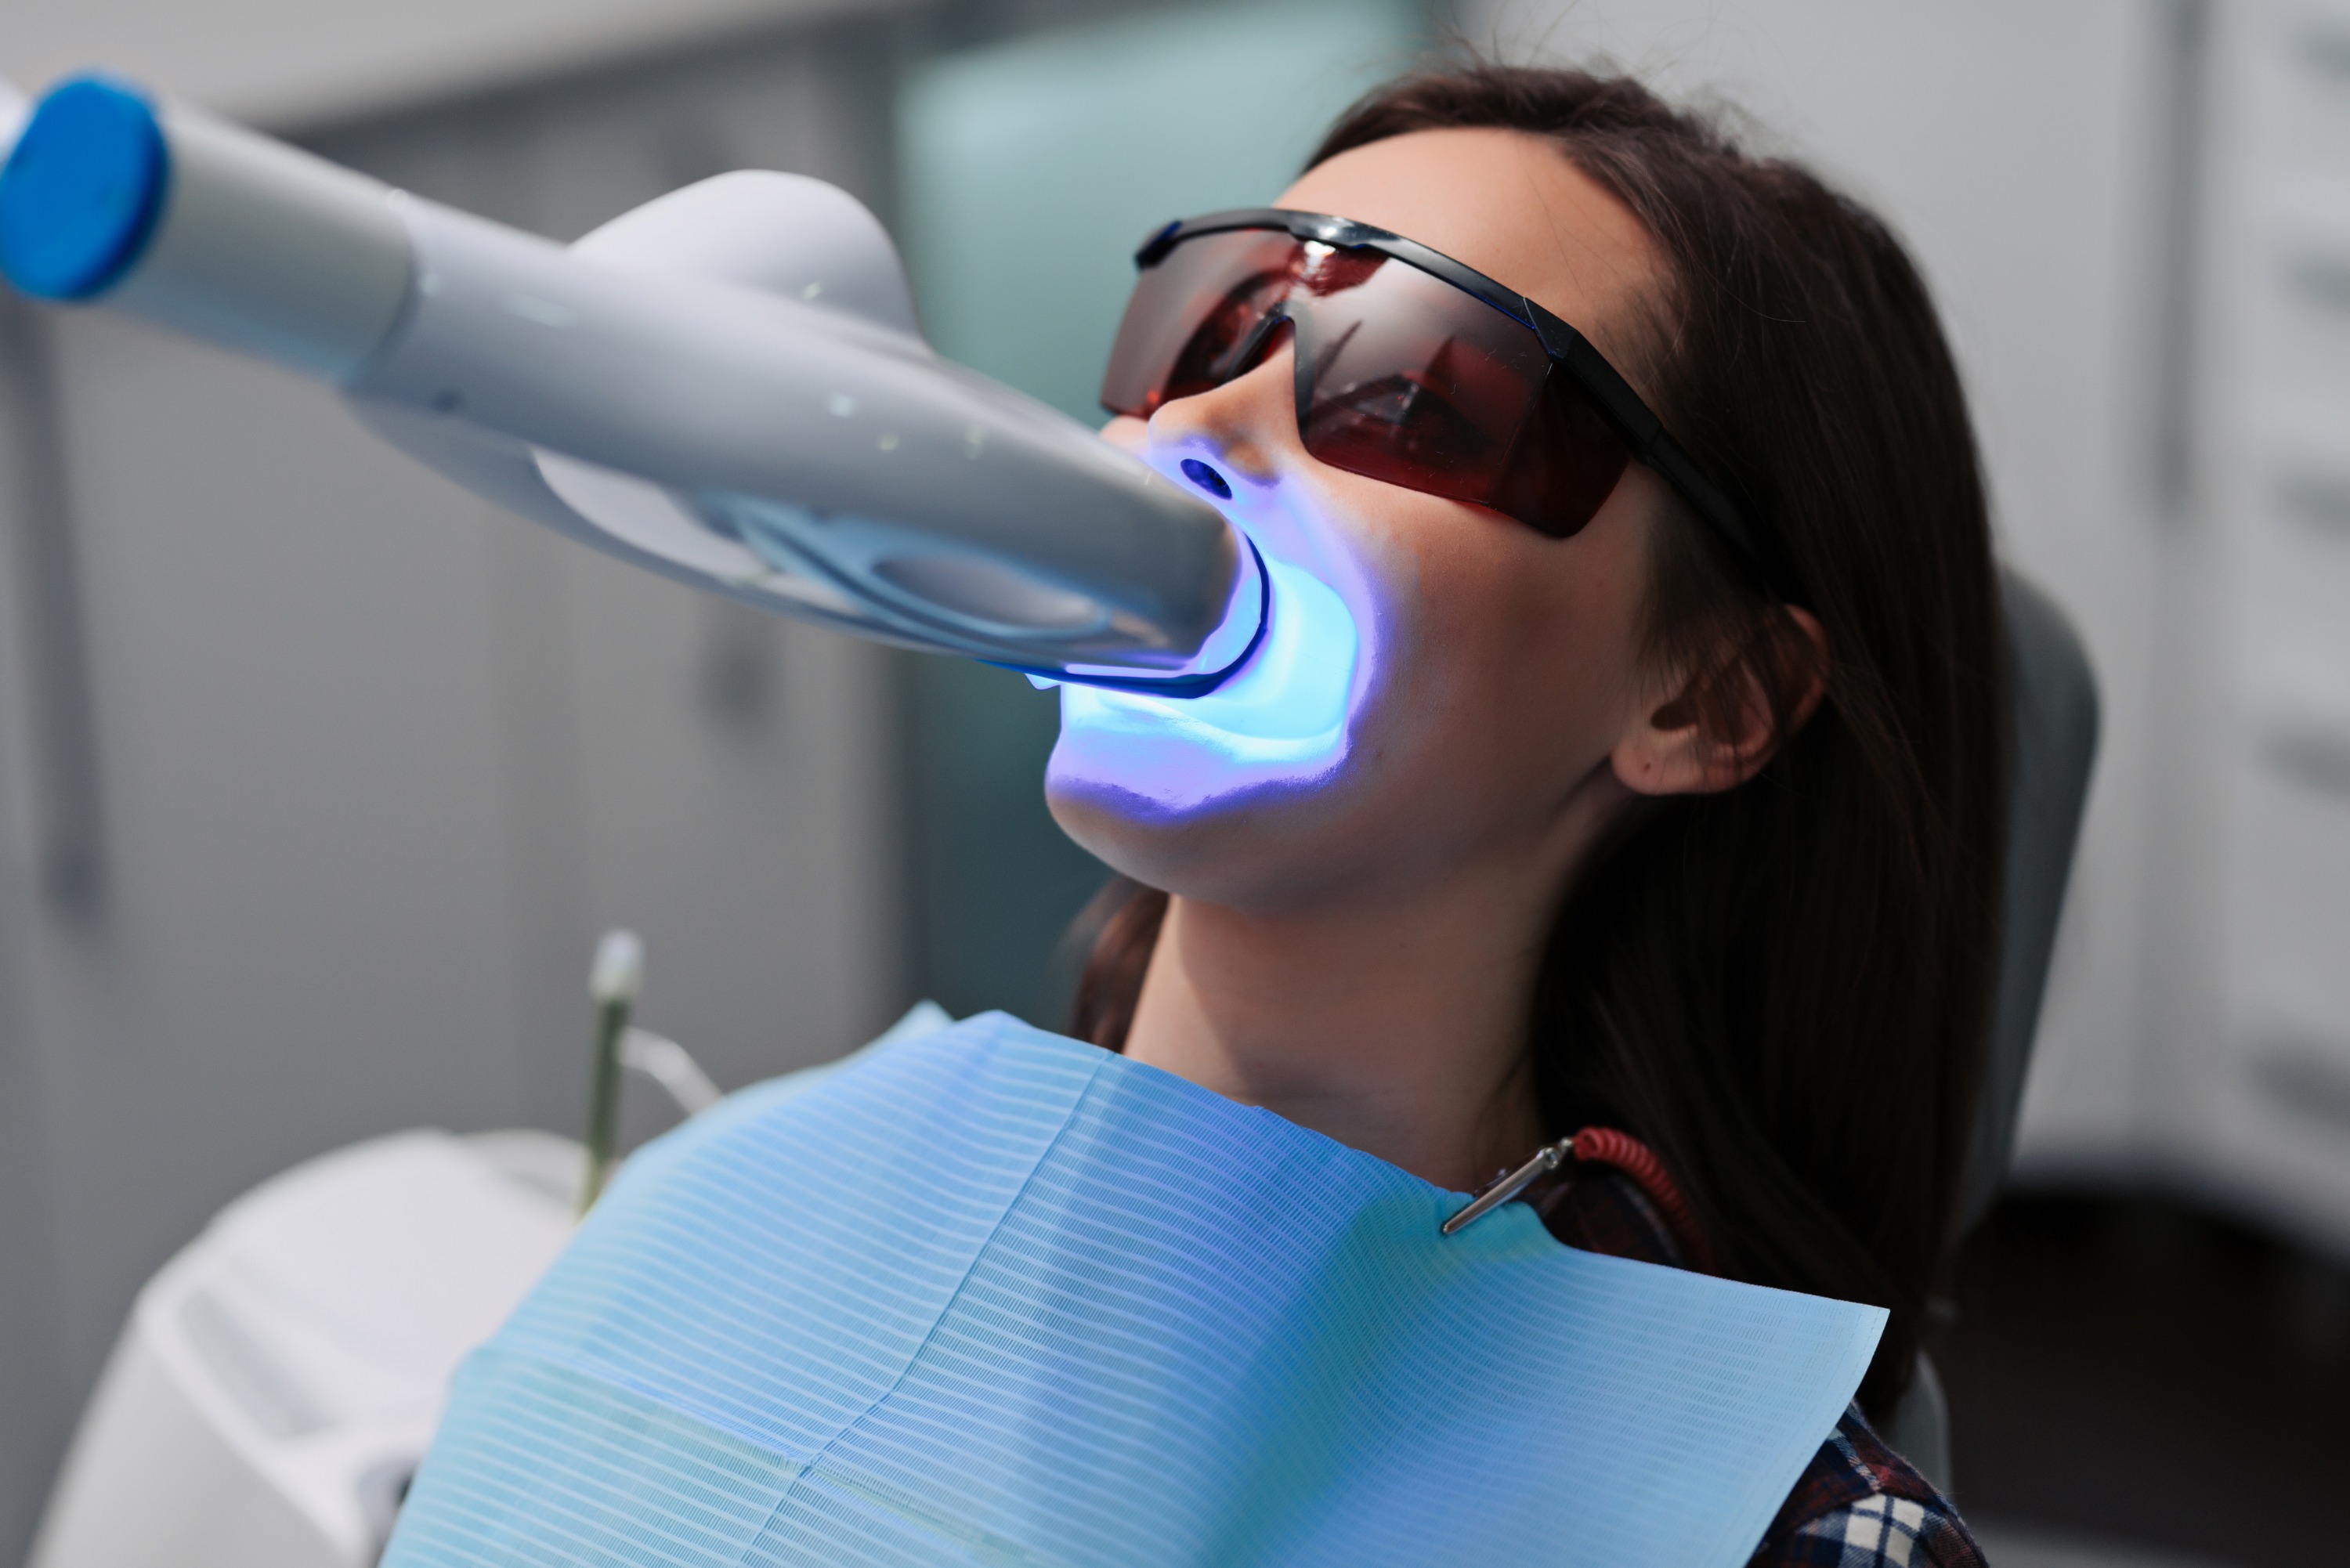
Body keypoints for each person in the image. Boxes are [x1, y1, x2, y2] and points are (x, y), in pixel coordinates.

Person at [1048, 63, 2004, 1567]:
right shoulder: (819, 1179)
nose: (1201, 421)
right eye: (1209, 328)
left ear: (1713, 696)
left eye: (1415, 393)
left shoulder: (1794, 1537)